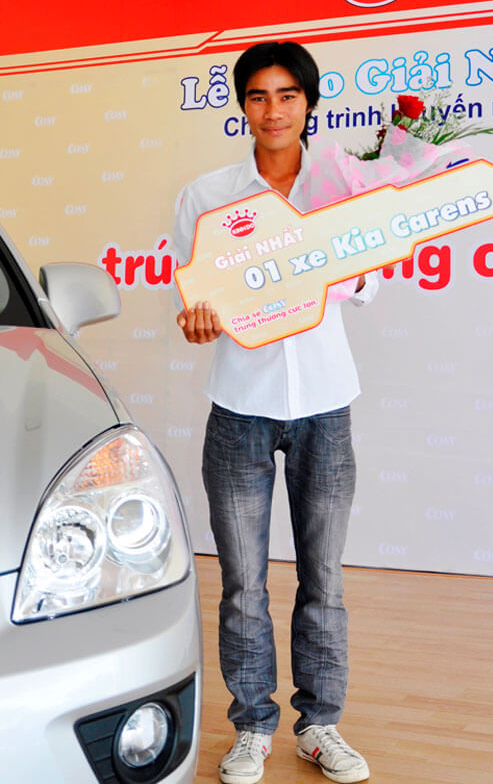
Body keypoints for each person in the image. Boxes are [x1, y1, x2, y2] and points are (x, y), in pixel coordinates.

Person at [174, 41, 376, 784]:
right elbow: (192, 297)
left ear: (308, 103)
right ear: (243, 107)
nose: (273, 110)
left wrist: (326, 264)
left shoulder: (339, 188)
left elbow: (369, 284)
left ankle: (320, 726)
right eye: (258, 96)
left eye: (287, 95)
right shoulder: (206, 195)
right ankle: (252, 728)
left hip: (325, 403)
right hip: (240, 406)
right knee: (242, 583)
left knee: (324, 577)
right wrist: (197, 319)